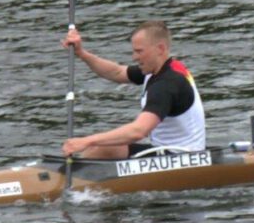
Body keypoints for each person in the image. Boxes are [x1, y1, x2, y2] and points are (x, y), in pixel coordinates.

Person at [61, 20, 206, 159]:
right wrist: (81, 53)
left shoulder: (167, 84)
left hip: (181, 156)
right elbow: (116, 72)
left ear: (160, 49)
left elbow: (139, 131)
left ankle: (73, 175)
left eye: (139, 51)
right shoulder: (162, 68)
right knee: (102, 146)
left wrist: (87, 141)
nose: (134, 57)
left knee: (99, 148)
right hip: (166, 150)